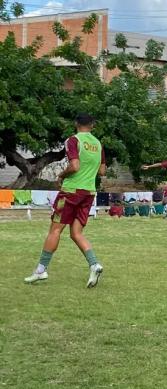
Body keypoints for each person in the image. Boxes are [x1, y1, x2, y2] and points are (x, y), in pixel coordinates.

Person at [25, 113, 106, 287]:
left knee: (55, 230)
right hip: (89, 192)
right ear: (93, 125)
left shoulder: (73, 140)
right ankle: (94, 264)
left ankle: (40, 270)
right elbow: (102, 171)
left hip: (70, 192)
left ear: (76, 123)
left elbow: (75, 166)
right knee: (76, 233)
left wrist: (61, 174)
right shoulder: (98, 144)